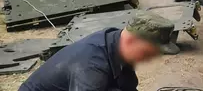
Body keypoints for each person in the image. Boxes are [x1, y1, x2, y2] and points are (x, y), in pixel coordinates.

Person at [20, 12, 175, 91]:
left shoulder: (115, 42)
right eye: (148, 53)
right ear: (131, 41)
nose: (150, 59)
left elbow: (127, 86)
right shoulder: (91, 67)